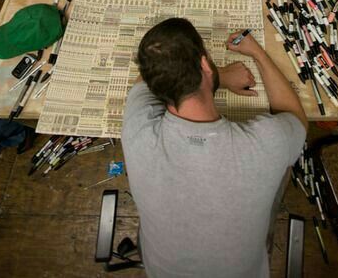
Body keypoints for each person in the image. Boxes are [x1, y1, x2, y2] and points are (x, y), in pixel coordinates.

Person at [122, 18, 307, 278]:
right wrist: (256, 53)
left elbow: (149, 73)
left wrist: (215, 77)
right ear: (205, 64)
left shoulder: (137, 129)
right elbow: (295, 117)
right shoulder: (266, 144)